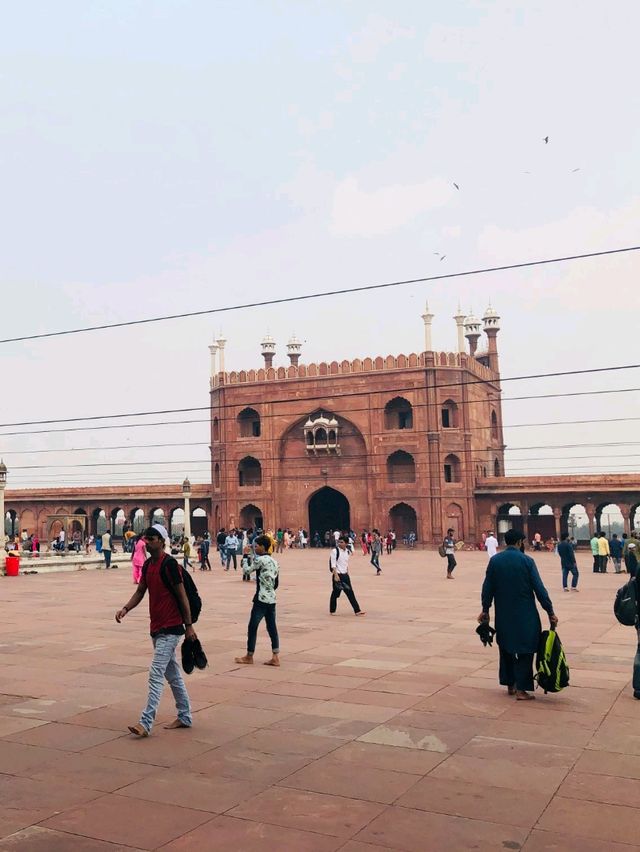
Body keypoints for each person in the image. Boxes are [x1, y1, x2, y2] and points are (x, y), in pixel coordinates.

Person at [115, 526, 195, 736]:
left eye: (151, 539)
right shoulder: (149, 564)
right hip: (157, 627)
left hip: (172, 627)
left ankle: (146, 722)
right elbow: (141, 591)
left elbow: (182, 596)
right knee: (173, 675)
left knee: (156, 673)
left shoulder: (170, 565)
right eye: (145, 539)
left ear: (161, 541)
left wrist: (189, 627)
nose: (147, 543)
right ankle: (185, 715)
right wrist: (125, 609)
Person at [479, 528, 557, 700]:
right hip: (525, 613)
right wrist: (549, 611)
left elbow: (487, 588)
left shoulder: (495, 561)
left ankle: (510, 684)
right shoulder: (527, 561)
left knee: (506, 647)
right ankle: (522, 688)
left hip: (503, 613)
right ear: (520, 542)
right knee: (526, 649)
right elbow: (539, 589)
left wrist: (485, 609)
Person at [235, 534, 280, 666]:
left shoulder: (260, 560)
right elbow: (276, 583)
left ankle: (249, 656)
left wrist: (244, 556)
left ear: (262, 547)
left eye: (257, 546)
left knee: (252, 627)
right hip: (272, 599)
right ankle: (275, 656)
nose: (255, 548)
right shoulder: (275, 562)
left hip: (261, 599)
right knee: (272, 627)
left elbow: (247, 571)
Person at [330, 537, 366, 616]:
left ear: (346, 543)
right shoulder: (335, 551)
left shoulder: (347, 552)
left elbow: (345, 564)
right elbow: (333, 564)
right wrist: (335, 575)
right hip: (338, 575)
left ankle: (357, 610)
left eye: (342, 542)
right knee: (336, 593)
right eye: (339, 542)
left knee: (350, 593)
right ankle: (332, 610)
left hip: (345, 575)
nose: (340, 543)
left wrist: (347, 573)